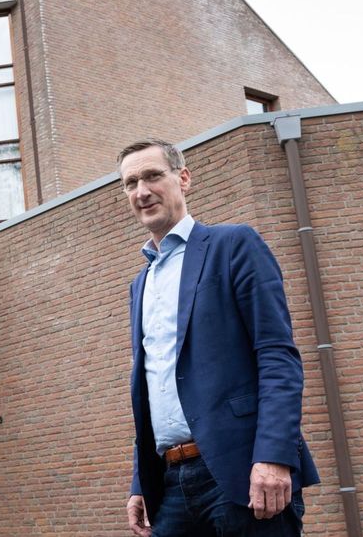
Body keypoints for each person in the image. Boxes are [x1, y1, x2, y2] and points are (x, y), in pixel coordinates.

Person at [118, 138, 319, 536]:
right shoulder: (140, 284)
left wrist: (274, 457)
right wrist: (142, 480)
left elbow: (277, 356)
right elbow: (153, 384)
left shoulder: (233, 245)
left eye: (153, 176)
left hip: (242, 472)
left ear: (184, 178)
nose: (142, 191)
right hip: (170, 485)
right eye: (130, 183)